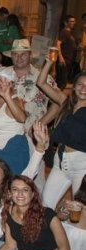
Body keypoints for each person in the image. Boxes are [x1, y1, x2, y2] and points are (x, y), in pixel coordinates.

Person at [37, 56, 86, 209]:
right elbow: (41, 83)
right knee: (45, 205)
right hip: (60, 162)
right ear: (74, 86)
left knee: (80, 209)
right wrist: (49, 62)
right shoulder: (66, 103)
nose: (83, 89)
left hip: (82, 165)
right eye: (80, 84)